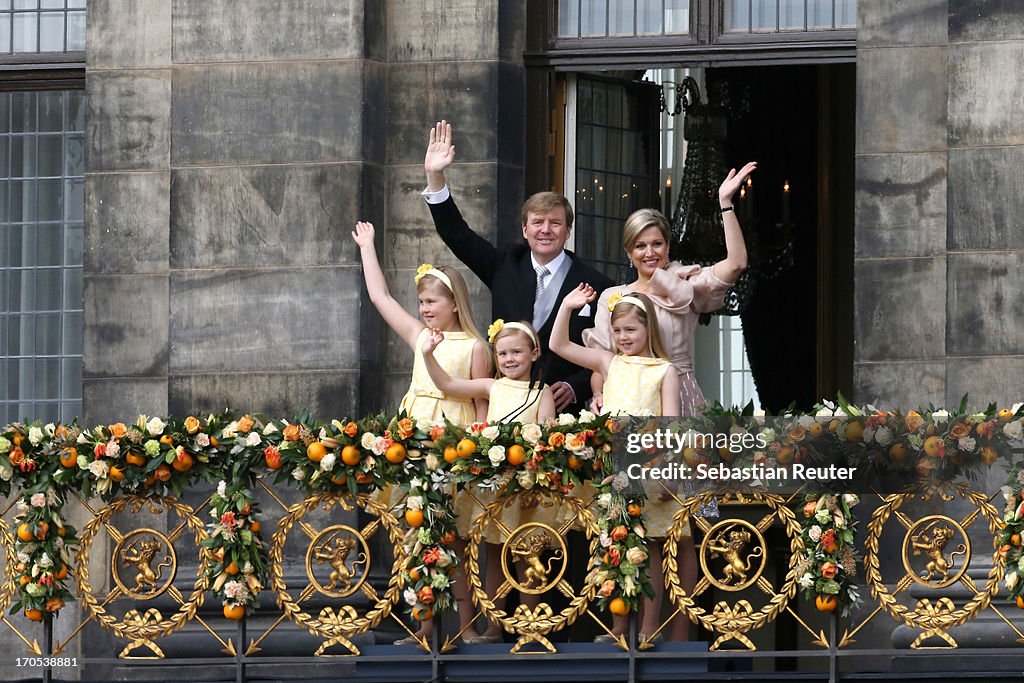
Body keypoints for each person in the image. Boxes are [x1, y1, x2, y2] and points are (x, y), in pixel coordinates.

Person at [582, 162, 756, 640]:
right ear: (629, 251)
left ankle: (679, 637)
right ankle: (627, 627)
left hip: (679, 403)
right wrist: (600, 402)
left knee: (680, 530)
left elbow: (737, 263)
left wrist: (725, 203)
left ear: (667, 246)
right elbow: (600, 361)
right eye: (641, 245)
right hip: (626, 409)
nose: (650, 251)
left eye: (657, 243)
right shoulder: (614, 297)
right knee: (629, 523)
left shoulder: (684, 282)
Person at [351, 220, 490, 645]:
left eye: (432, 301)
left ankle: (467, 629)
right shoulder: (418, 336)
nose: (425, 309)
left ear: (454, 303)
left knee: (459, 539)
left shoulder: (475, 347)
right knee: (418, 533)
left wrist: (480, 452)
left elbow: (482, 408)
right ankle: (423, 627)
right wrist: (368, 246)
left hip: (454, 444)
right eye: (422, 302)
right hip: (414, 443)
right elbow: (380, 297)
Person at [422, 120, 614, 414]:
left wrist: (578, 385)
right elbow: (456, 233)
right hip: (505, 403)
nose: (546, 230)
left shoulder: (595, 283)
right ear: (525, 229)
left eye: (555, 223)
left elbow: (609, 352)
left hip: (565, 414)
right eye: (537, 222)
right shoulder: (503, 265)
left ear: (568, 230)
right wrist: (435, 176)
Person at [550, 285, 681, 642]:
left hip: (649, 469)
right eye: (618, 330)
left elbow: (671, 424)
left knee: (649, 545)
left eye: (631, 330)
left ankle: (650, 628)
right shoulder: (609, 362)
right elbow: (558, 345)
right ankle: (619, 625)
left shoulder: (664, 370)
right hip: (612, 470)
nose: (623, 337)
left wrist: (665, 471)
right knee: (614, 541)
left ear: (648, 330)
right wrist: (567, 306)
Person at [422, 319, 556, 643]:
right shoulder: (492, 387)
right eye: (503, 353)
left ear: (534, 353)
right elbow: (448, 385)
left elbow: (549, 436)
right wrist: (428, 355)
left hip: (527, 485)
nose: (509, 359)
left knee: (528, 553)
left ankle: (530, 625)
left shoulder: (542, 391)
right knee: (493, 554)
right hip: (492, 486)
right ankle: (494, 625)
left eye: (517, 352)